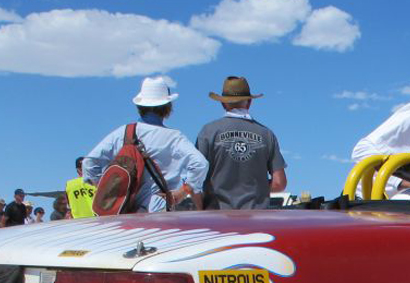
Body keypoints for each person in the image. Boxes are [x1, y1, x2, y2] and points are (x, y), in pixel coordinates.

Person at [82, 76, 207, 213]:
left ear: (140, 106)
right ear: (167, 107)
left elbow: (89, 162)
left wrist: (106, 191)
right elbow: (200, 163)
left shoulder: (123, 132)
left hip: (124, 210)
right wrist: (182, 192)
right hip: (158, 209)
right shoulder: (174, 137)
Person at [195, 76, 286, 210]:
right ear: (249, 102)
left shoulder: (208, 132)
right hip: (256, 218)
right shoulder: (266, 134)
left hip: (217, 218)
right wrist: (255, 188)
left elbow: (195, 179)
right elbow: (279, 183)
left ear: (223, 103)